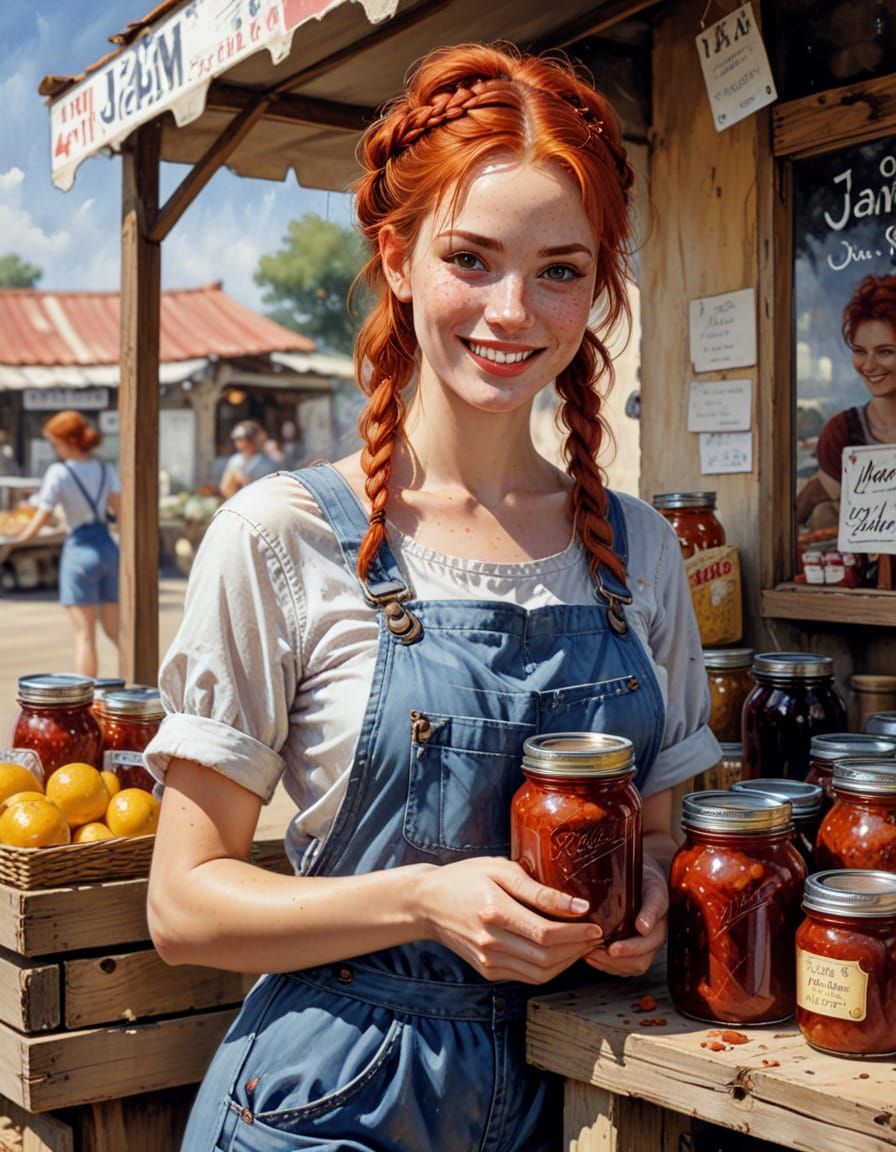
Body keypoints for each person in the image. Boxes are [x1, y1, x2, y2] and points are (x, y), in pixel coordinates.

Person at [145, 43, 720, 1152]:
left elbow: (657, 831)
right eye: (471, 258)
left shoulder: (639, 554)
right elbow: (184, 906)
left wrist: (646, 895)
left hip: (581, 1097)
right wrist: (423, 901)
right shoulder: (286, 535)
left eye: (559, 269)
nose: (512, 311)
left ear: (598, 286)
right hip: (331, 1108)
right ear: (398, 257)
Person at [7, 410, 119, 677]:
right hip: (108, 548)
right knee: (116, 633)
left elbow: (42, 515)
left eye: (55, 442)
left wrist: (18, 538)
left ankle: (86, 704)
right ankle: (143, 682)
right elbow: (120, 513)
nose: (54, 449)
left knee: (84, 637)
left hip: (80, 549)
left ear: (68, 440)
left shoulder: (59, 472)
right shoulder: (106, 468)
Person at [796, 274, 896, 531]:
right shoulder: (841, 434)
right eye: (860, 351)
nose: (869, 365)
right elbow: (812, 510)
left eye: (884, 351)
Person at [218, 419, 279, 498]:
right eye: (236, 439)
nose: (238, 442)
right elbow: (226, 488)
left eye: (240, 438)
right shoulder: (235, 460)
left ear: (252, 439)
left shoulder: (268, 462)